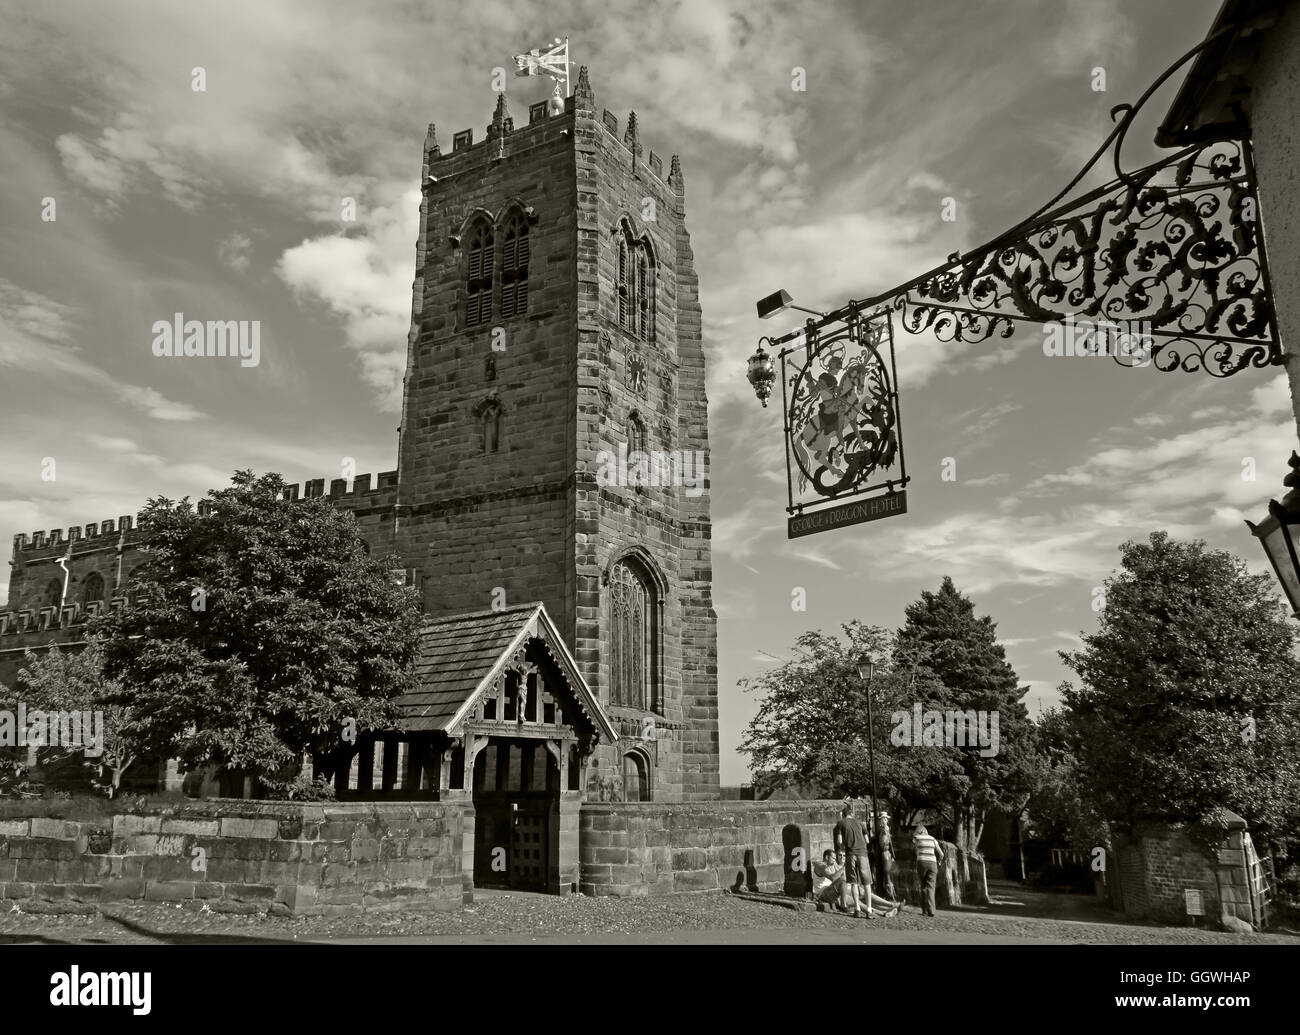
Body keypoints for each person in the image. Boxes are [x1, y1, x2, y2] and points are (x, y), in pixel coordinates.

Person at [833, 803, 873, 918]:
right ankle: (869, 910)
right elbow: (867, 840)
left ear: (843, 814)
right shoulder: (860, 823)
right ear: (852, 814)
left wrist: (845, 844)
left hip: (851, 854)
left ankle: (857, 908)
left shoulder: (841, 823)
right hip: (863, 854)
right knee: (867, 883)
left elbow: (839, 841)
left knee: (854, 882)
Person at [914, 824, 946, 917]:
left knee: (923, 886)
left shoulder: (917, 838)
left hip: (921, 863)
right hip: (933, 863)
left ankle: (924, 910)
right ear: (926, 831)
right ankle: (931, 910)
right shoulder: (933, 839)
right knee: (931, 887)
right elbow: (941, 854)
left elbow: (916, 851)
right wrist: (939, 862)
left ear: (919, 832)